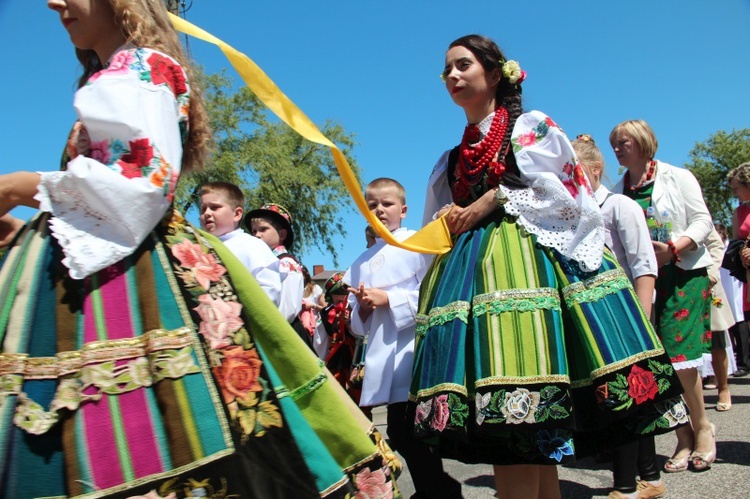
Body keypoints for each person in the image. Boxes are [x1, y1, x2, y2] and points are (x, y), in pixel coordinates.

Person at [0, 1, 399, 497]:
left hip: (137, 276)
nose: (55, 1)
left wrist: (23, 187)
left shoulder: (144, 67)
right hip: (99, 266)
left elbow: (144, 182)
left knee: (192, 427)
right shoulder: (118, 73)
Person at [413, 34, 686, 499]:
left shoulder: (530, 129)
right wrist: (451, 215)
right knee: (519, 433)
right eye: (447, 71)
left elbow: (569, 193)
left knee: (527, 418)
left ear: (496, 74)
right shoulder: (451, 159)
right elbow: (438, 225)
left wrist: (492, 198)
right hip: (473, 280)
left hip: (533, 271)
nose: (453, 77)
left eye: (463, 66)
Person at [611, 119, 716, 473]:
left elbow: (703, 221)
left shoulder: (677, 176)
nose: (616, 148)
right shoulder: (618, 190)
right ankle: (683, 436)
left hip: (683, 273)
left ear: (642, 142)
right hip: (642, 281)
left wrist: (674, 247)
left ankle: (702, 430)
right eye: (613, 143)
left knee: (678, 354)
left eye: (622, 142)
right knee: (658, 360)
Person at [346, 178, 461, 498]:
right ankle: (441, 489)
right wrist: (366, 310)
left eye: (387, 204)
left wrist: (390, 300)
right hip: (385, 353)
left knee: (410, 430)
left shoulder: (418, 243)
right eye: (372, 206)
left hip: (415, 349)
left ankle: (437, 490)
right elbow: (357, 324)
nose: (379, 210)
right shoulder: (361, 261)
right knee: (401, 432)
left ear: (404, 210)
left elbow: (433, 293)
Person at [572, 134, 663, 499]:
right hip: (595, 314)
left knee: (627, 397)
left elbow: (644, 265)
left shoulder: (620, 206)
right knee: (621, 399)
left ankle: (626, 486)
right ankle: (650, 476)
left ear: (595, 171)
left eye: (575, 172)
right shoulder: (571, 211)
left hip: (627, 313)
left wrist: (641, 318)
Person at [199, 181, 282, 305]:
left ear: (237, 214)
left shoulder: (252, 246)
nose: (207, 213)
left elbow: (270, 292)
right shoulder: (198, 247)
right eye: (203, 209)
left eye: (215, 207)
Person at [246, 203, 310, 348]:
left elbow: (287, 310)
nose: (256, 235)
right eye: (253, 231)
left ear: (282, 235)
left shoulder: (287, 264)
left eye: (263, 229)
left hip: (283, 334)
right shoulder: (264, 263)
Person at [700, 227, 736, 412]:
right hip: (678, 282)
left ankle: (723, 388)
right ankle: (693, 395)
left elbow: (716, 244)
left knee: (717, 340)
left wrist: (712, 273)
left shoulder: (699, 213)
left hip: (708, 282)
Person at [727, 162, 750, 376]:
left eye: (736, 187)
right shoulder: (739, 211)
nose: (734, 192)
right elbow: (735, 242)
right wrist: (742, 252)